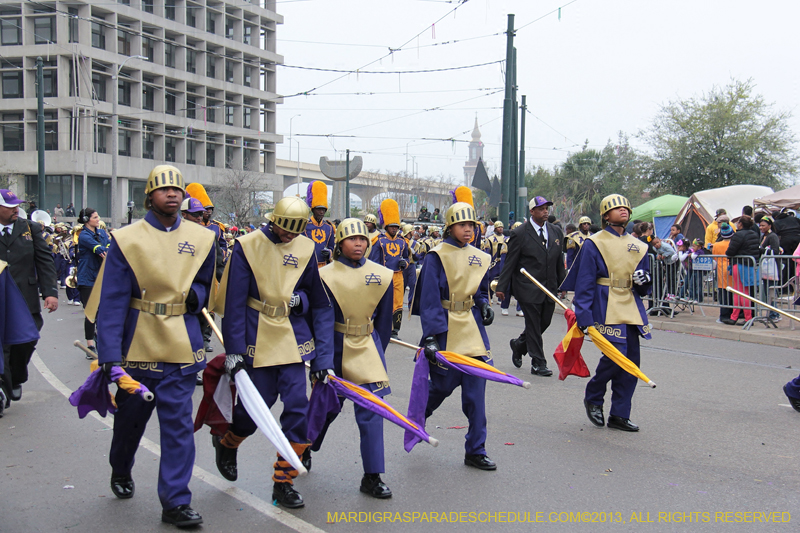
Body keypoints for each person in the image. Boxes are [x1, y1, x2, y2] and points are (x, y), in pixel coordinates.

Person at [91, 165, 216, 528]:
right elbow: (112, 302)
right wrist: (109, 358)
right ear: (150, 196)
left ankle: (175, 502)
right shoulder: (126, 239)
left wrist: (198, 295)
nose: (172, 194)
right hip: (138, 348)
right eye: (164, 190)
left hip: (181, 346)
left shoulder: (203, 238)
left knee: (178, 428)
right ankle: (121, 467)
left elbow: (208, 283)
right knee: (130, 424)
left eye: (177, 189)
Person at [213, 196, 333, 509]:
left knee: (297, 408)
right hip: (257, 334)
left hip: (292, 339)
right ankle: (229, 442)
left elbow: (315, 297)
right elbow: (234, 303)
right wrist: (234, 351)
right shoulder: (247, 245)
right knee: (255, 410)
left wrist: (299, 302)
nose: (290, 237)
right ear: (274, 221)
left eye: (296, 232)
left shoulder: (306, 248)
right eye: (285, 230)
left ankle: (284, 481)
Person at [312, 218, 395, 498]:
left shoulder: (381, 274)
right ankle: (304, 447)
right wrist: (322, 360)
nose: (358, 243)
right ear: (339, 244)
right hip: (335, 347)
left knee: (372, 412)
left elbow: (384, 322)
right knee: (325, 409)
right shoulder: (325, 275)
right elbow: (321, 320)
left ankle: (372, 475)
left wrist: (376, 350)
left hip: (368, 346)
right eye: (351, 239)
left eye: (362, 239)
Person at [410, 201, 495, 470]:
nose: (468, 229)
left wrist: (484, 305)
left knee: (476, 392)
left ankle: (476, 449)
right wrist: (432, 335)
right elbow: (430, 299)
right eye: (462, 225)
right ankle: (417, 419)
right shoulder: (437, 256)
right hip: (445, 328)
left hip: (472, 329)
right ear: (450, 227)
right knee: (442, 386)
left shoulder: (479, 255)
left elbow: (481, 290)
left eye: (471, 225)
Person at [561, 194, 652, 432]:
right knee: (615, 356)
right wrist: (583, 315)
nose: (622, 210)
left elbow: (643, 283)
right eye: (616, 208)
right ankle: (594, 394)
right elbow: (585, 281)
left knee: (631, 361)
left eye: (625, 207)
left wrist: (644, 281)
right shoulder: (594, 242)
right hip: (604, 303)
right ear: (605, 216)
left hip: (630, 304)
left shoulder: (640, 245)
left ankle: (620, 414)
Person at [0, 189, 58, 407]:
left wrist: (50, 292)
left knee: (27, 339)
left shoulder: (30, 228)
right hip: (1, 295)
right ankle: (3, 388)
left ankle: (16, 376)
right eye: (9, 206)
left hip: (25, 296)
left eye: (17, 205)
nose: (16, 209)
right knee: (2, 346)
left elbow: (44, 261)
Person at [496, 196, 566, 376]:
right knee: (533, 323)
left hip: (549, 286)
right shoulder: (520, 233)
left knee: (545, 321)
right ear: (532, 211)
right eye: (541, 208)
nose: (545, 212)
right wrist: (502, 287)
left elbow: (559, 260)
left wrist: (563, 283)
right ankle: (538, 362)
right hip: (528, 286)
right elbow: (510, 262)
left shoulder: (556, 232)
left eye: (547, 208)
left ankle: (519, 344)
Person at [185, 183, 226, 353]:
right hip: (183, 287)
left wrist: (227, 283)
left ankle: (204, 339)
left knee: (207, 312)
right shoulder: (177, 232)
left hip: (205, 282)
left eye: (202, 213)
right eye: (195, 214)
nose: (200, 217)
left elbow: (219, 260)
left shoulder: (213, 231)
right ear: (184, 214)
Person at [369, 199, 409, 338]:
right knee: (384, 303)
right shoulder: (379, 241)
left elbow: (407, 258)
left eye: (396, 226)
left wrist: (405, 263)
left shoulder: (402, 242)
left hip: (398, 276)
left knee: (398, 303)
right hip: (384, 276)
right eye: (392, 226)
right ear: (386, 226)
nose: (394, 229)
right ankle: (381, 328)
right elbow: (373, 261)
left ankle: (395, 330)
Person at [77, 208, 110, 357]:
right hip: (87, 279)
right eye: (95, 217)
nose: (98, 219)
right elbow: (100, 250)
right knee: (91, 313)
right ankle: (90, 345)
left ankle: (102, 343)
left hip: (102, 277)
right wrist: (107, 248)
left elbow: (110, 246)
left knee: (104, 312)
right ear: (86, 219)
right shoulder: (83, 235)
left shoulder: (102, 233)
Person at [726, 216, 759, 324]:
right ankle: (743, 317)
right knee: (745, 291)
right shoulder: (754, 234)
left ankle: (739, 317)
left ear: (740, 224)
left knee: (739, 292)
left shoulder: (738, 235)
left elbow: (730, 251)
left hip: (739, 264)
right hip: (750, 264)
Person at [303, 181, 335, 269]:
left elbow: (332, 247)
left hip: (325, 267)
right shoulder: (304, 226)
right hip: (307, 267)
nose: (321, 212)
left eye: (323, 210)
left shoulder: (329, 227)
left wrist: (329, 253)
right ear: (313, 210)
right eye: (319, 209)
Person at [758, 216, 782, 321]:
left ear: (769, 225)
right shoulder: (764, 236)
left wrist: (761, 249)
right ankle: (772, 314)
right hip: (766, 269)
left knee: (771, 293)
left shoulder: (772, 236)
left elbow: (775, 251)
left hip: (772, 269)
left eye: (763, 225)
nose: (761, 227)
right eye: (760, 225)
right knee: (768, 293)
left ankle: (774, 314)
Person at [712, 224, 735, 324]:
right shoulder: (733, 244)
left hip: (721, 269)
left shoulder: (716, 245)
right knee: (733, 293)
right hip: (732, 268)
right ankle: (732, 314)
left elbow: (714, 257)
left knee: (723, 294)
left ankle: (724, 315)